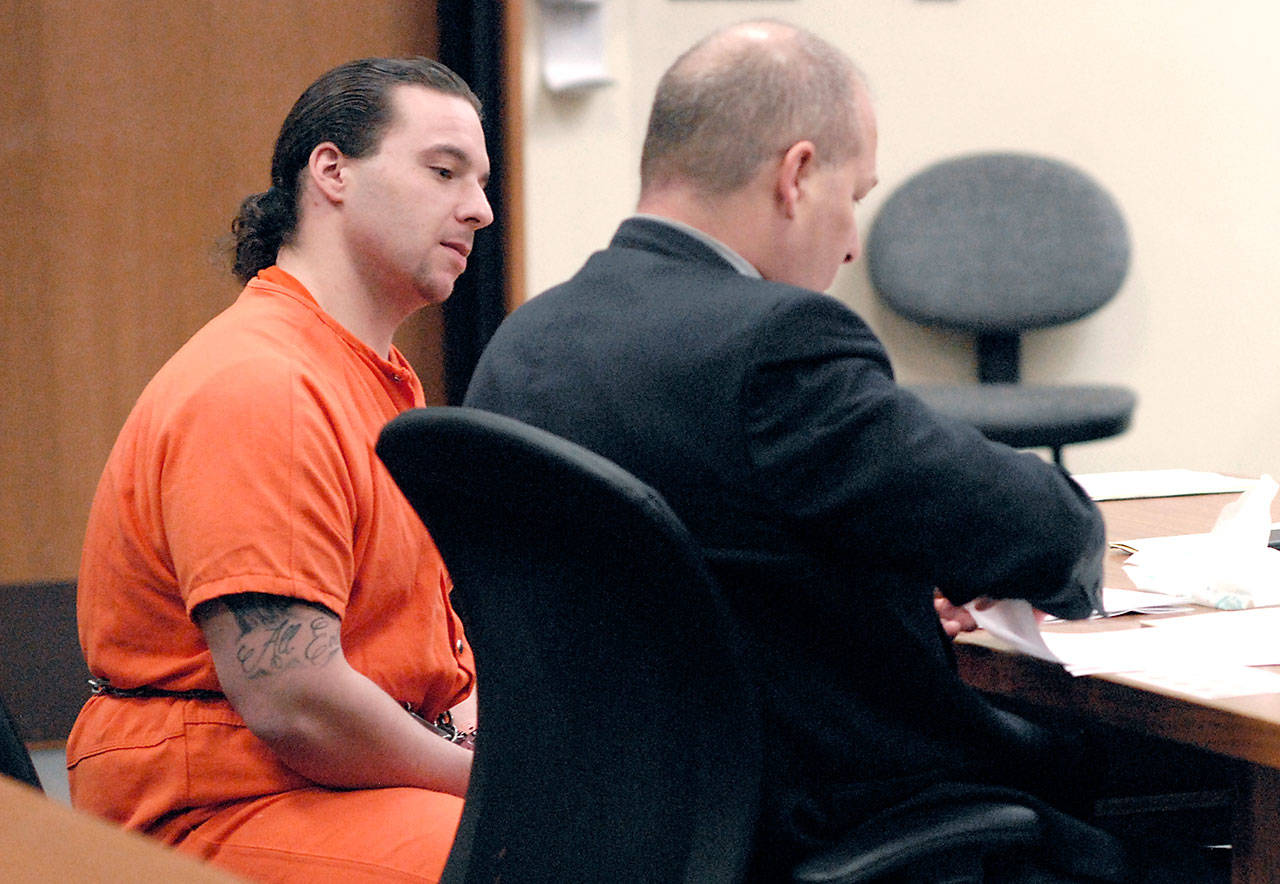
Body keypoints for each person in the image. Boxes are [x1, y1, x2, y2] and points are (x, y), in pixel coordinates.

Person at [464, 19, 1116, 879]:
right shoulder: (778, 344)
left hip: (608, 831)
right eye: (855, 195)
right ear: (798, 175)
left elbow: (707, 566)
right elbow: (1039, 528)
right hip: (811, 823)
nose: (851, 242)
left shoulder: (526, 339)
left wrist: (874, 585)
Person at [67, 56, 493, 883]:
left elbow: (424, 655)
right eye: (443, 172)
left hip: (330, 784)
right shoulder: (263, 383)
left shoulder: (369, 377)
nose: (477, 209)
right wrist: (501, 782)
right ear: (331, 171)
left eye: (479, 181)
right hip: (218, 811)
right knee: (547, 853)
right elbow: (295, 701)